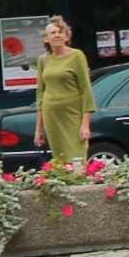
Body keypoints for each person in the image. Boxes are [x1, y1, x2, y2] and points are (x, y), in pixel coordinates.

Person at [35, 16, 94, 168]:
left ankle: (80, 188)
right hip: (52, 116)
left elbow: (86, 91)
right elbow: (40, 94)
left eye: (60, 32)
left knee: (77, 158)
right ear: (46, 39)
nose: (57, 35)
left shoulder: (77, 56)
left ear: (67, 36)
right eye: (53, 32)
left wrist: (85, 125)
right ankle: (64, 187)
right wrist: (39, 129)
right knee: (60, 161)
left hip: (73, 115)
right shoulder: (43, 60)